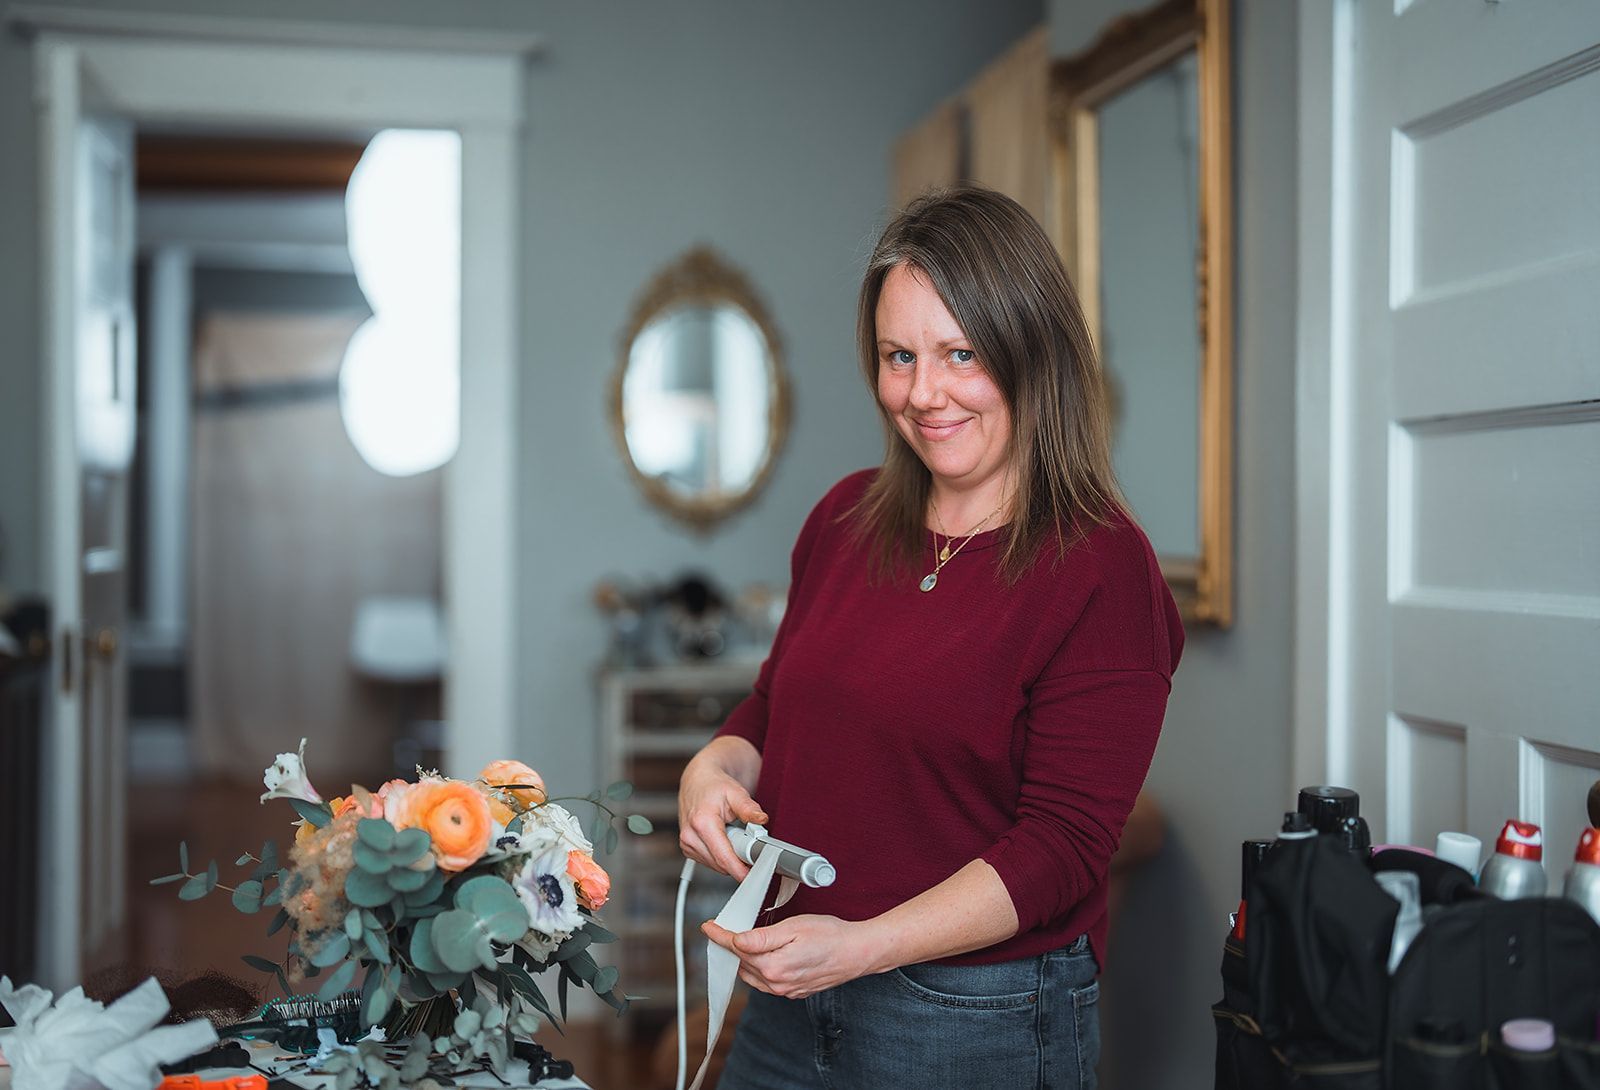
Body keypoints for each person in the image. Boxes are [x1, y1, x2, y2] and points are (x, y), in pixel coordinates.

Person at [677, 185, 1184, 1089]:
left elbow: (1063, 845)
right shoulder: (843, 519)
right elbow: (776, 700)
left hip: (974, 1017)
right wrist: (714, 766)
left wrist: (863, 947)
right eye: (898, 356)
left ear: (1034, 352)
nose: (923, 394)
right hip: (794, 987)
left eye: (962, 354)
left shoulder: (1101, 569)